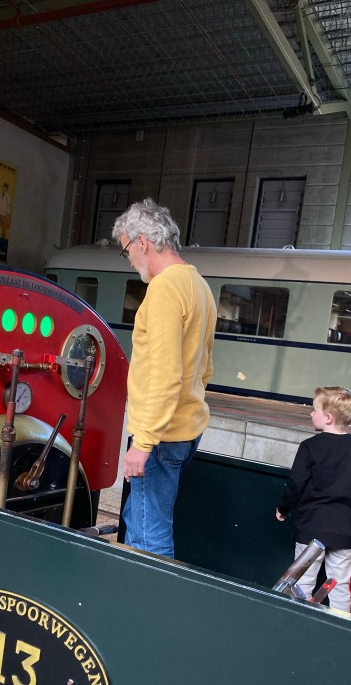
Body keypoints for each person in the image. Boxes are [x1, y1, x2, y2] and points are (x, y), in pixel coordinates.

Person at [112, 198, 216, 558]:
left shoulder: (164, 289)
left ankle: (148, 595)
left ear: (142, 242)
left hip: (159, 436)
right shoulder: (198, 285)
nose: (129, 259)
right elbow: (205, 367)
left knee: (149, 538)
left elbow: (166, 374)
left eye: (126, 250)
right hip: (186, 428)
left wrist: (143, 444)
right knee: (137, 518)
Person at [275, 386, 351, 611]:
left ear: (328, 418)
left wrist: (283, 508)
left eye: (314, 409)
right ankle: (341, 628)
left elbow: (296, 484)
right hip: (345, 527)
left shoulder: (310, 446)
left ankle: (300, 624)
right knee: (339, 585)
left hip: (311, 526)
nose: (311, 413)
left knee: (301, 583)